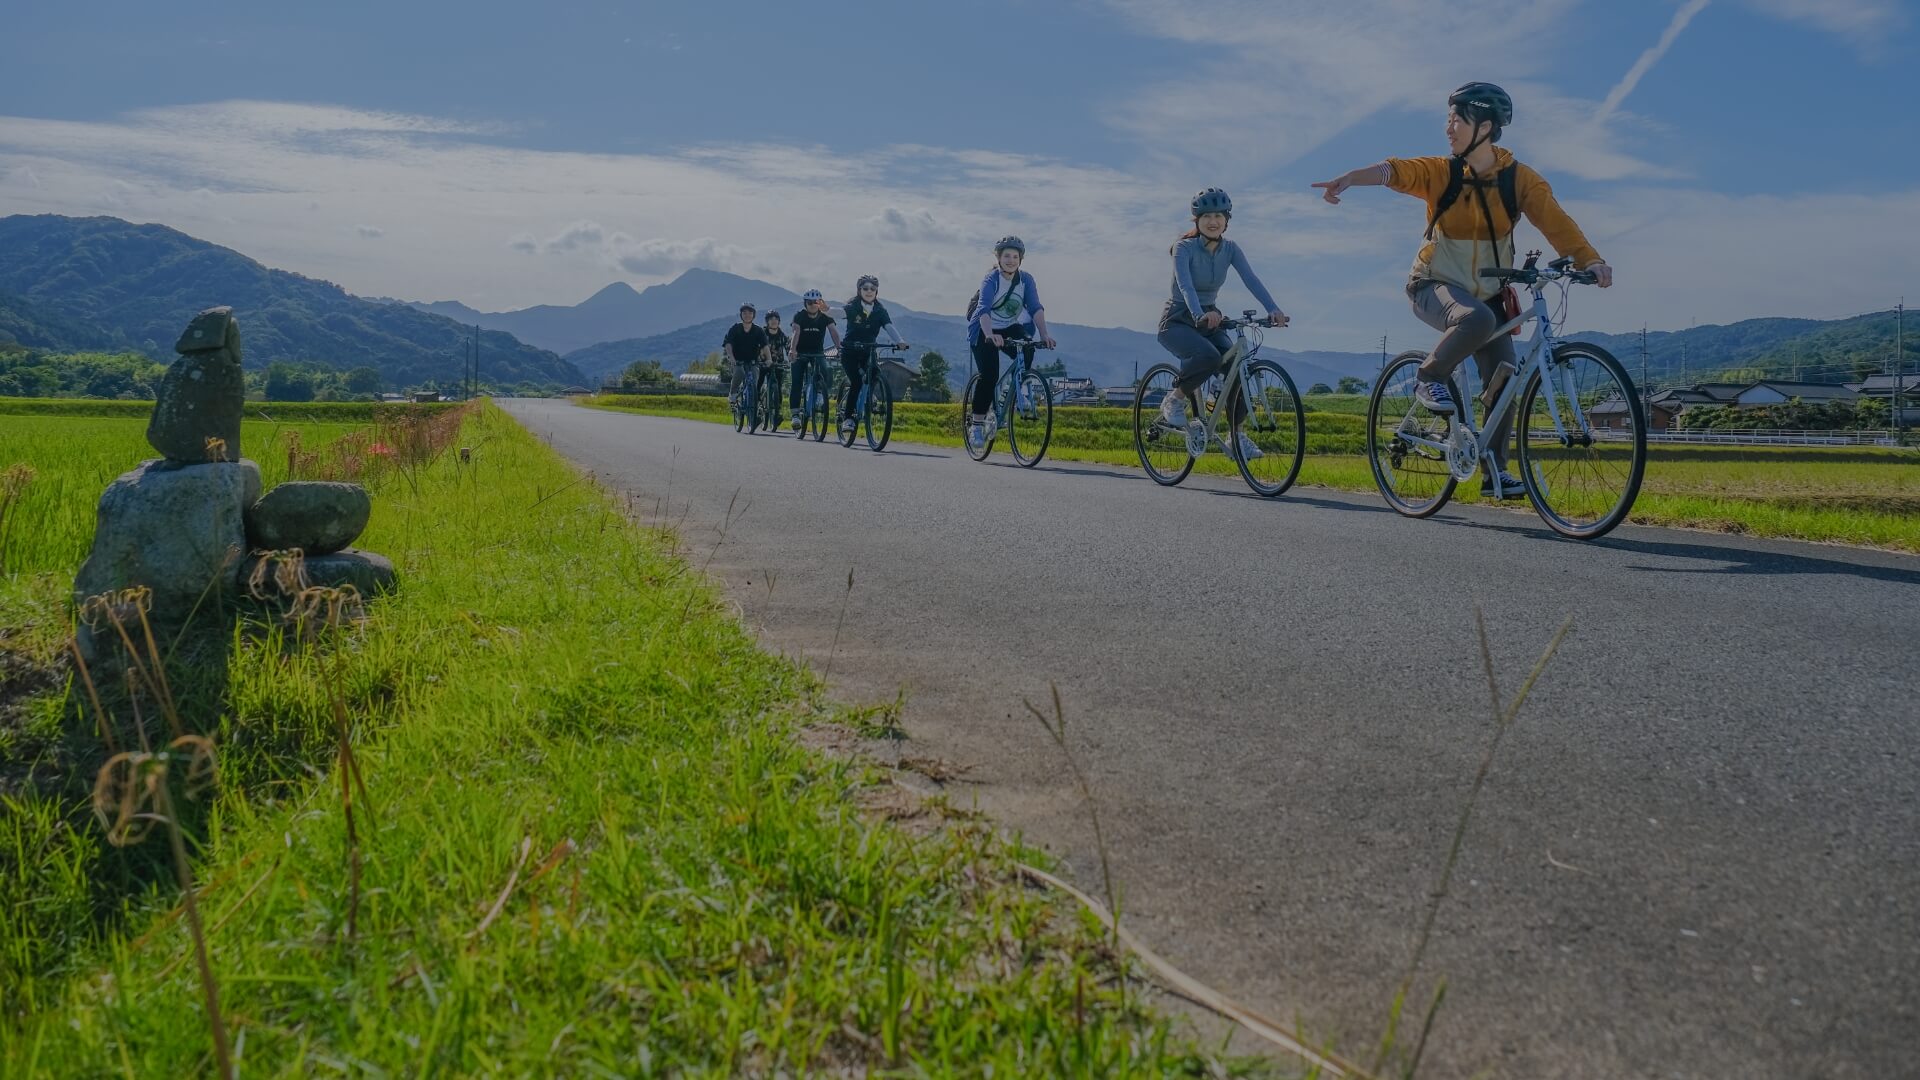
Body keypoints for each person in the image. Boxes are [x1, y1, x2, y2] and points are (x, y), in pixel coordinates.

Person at [1311, 81, 1612, 497]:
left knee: (1505, 377)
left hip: (1488, 293)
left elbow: (1555, 221)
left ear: (1484, 126)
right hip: (1432, 285)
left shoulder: (1520, 180)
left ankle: (1494, 472)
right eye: (1448, 119)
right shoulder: (1442, 171)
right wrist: (1350, 178)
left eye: (1457, 120)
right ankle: (1428, 376)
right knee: (1476, 318)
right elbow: (1396, 171)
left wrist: (1589, 260)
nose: (1448, 129)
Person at [1156, 188, 1288, 460]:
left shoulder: (1231, 249)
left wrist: (1273, 309)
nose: (1213, 221)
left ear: (1227, 220)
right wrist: (1199, 315)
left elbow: (1251, 279)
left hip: (1211, 316)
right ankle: (1175, 398)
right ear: (1197, 220)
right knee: (1208, 355)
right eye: (1206, 216)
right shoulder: (1184, 247)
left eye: (1218, 215)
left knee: (1234, 367)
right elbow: (1186, 285)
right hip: (1179, 317)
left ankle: (1236, 436)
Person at [966, 235, 1055, 451]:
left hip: (1008, 327)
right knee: (990, 375)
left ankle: (1021, 389)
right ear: (998, 258)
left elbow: (1035, 307)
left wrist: (1044, 334)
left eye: (1015, 256)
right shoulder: (991, 279)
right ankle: (976, 425)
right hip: (983, 328)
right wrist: (989, 334)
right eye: (1006, 256)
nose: (1011, 260)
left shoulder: (1026, 280)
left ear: (1020, 260)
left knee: (1027, 345)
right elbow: (983, 308)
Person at [838, 275, 907, 437]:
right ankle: (848, 417)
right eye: (865, 288)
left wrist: (900, 341)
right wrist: (825, 309)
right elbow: (839, 313)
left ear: (877, 292)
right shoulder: (853, 306)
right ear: (859, 290)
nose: (869, 291)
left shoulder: (880, 310)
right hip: (850, 351)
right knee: (856, 381)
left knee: (875, 374)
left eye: (873, 289)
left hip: (868, 350)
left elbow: (889, 326)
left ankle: (870, 396)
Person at [788, 289, 843, 431]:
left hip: (817, 352)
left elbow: (833, 331)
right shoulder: (799, 316)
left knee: (826, 370)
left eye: (816, 302)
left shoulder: (825, 316)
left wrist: (839, 348)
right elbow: (796, 332)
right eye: (810, 302)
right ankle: (795, 415)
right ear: (805, 303)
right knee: (797, 381)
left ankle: (819, 393)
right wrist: (793, 350)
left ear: (820, 303)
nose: (813, 305)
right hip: (800, 352)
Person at [722, 303, 769, 418]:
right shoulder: (735, 328)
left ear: (754, 315)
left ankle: (753, 405)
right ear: (741, 315)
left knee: (755, 377)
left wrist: (769, 359)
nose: (747, 315)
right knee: (739, 372)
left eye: (750, 313)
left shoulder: (758, 330)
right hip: (738, 360)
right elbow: (728, 344)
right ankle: (732, 395)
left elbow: (765, 346)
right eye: (744, 313)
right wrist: (732, 358)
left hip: (753, 360)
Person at [759, 309, 790, 431]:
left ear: (779, 322)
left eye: (776, 319)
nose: (774, 321)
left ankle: (777, 412)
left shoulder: (782, 336)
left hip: (778, 364)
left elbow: (788, 348)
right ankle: (757, 406)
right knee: (759, 382)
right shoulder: (762, 334)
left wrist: (791, 359)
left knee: (778, 388)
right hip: (763, 363)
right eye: (771, 319)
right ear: (767, 322)